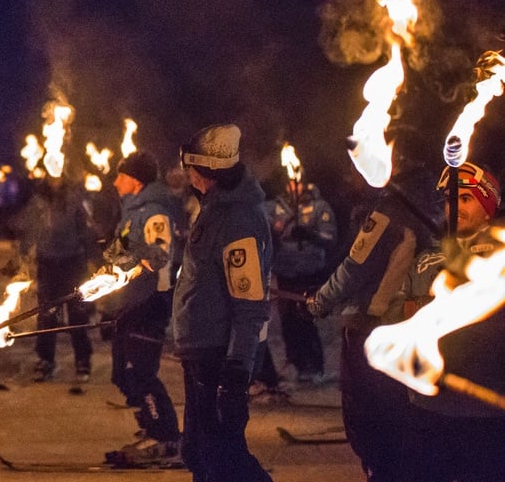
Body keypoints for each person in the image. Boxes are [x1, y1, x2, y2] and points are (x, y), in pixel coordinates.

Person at [306, 130, 441, 482]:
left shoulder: (390, 212)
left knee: (370, 420)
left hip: (371, 325)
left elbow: (355, 267)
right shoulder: (432, 204)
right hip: (407, 326)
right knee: (399, 419)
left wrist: (321, 301)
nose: (354, 172)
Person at [172, 123, 273, 482]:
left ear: (204, 172)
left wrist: (236, 371)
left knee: (223, 455)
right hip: (201, 351)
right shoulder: (214, 210)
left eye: (190, 169)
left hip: (220, 356)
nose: (187, 175)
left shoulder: (236, 219)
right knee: (199, 452)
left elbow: (249, 305)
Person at [399, 161, 505, 482]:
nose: (455, 207)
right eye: (449, 199)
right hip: (430, 410)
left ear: (488, 208)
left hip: (486, 414)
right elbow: (401, 316)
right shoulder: (425, 262)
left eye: (466, 198)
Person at [100, 151, 182, 468]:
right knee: (122, 374)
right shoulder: (131, 212)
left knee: (142, 374)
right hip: (127, 303)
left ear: (134, 180)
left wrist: (126, 257)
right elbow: (121, 250)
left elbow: (159, 256)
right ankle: (150, 427)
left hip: (148, 303)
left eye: (120, 176)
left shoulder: (155, 213)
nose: (115, 181)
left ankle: (165, 437)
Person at [14, 173, 95, 383]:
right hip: (48, 262)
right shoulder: (38, 199)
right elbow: (29, 230)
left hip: (72, 262)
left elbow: (86, 228)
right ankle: (46, 360)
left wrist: (94, 257)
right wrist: (20, 257)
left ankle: (83, 360)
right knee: (47, 314)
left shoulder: (75, 198)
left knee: (77, 313)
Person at [263, 178, 337, 386]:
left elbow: (330, 236)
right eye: (291, 183)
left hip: (310, 272)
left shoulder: (318, 206)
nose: (295, 186)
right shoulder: (274, 207)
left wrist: (310, 234)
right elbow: (264, 234)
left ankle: (313, 366)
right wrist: (278, 229)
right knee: (287, 319)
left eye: (298, 182)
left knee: (306, 317)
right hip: (285, 271)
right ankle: (295, 363)